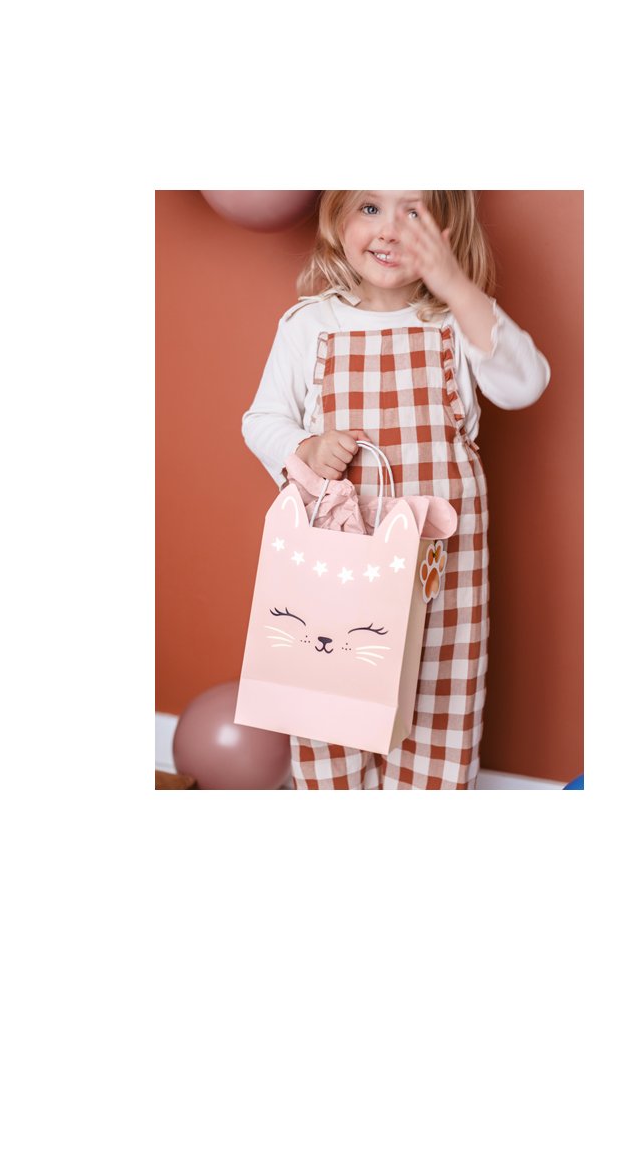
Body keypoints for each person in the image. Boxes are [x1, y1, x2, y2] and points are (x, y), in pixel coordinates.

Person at [241, 191, 551, 789]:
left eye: (414, 212)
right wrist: (305, 447)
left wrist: (456, 287)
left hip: (440, 573)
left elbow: (525, 383)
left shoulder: (455, 323)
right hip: (338, 563)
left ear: (449, 230)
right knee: (330, 688)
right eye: (370, 208)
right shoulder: (311, 325)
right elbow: (261, 420)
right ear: (337, 219)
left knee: (437, 694)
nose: (390, 230)